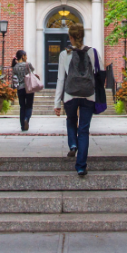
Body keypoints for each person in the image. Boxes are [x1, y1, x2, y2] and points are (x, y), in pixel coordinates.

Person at [53, 23, 102, 177]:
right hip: (88, 95)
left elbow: (61, 79)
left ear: (71, 37)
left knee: (71, 120)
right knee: (84, 130)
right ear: (83, 35)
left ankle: (73, 144)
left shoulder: (64, 54)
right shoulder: (93, 53)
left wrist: (57, 103)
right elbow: (100, 76)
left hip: (70, 95)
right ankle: (81, 166)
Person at [12, 50, 36, 132]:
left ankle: (22, 125)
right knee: (29, 106)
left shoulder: (15, 67)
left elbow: (14, 80)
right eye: (26, 55)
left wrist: (16, 87)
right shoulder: (27, 64)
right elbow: (33, 70)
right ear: (23, 56)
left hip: (20, 88)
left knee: (22, 107)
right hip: (29, 87)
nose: (27, 57)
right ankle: (26, 119)